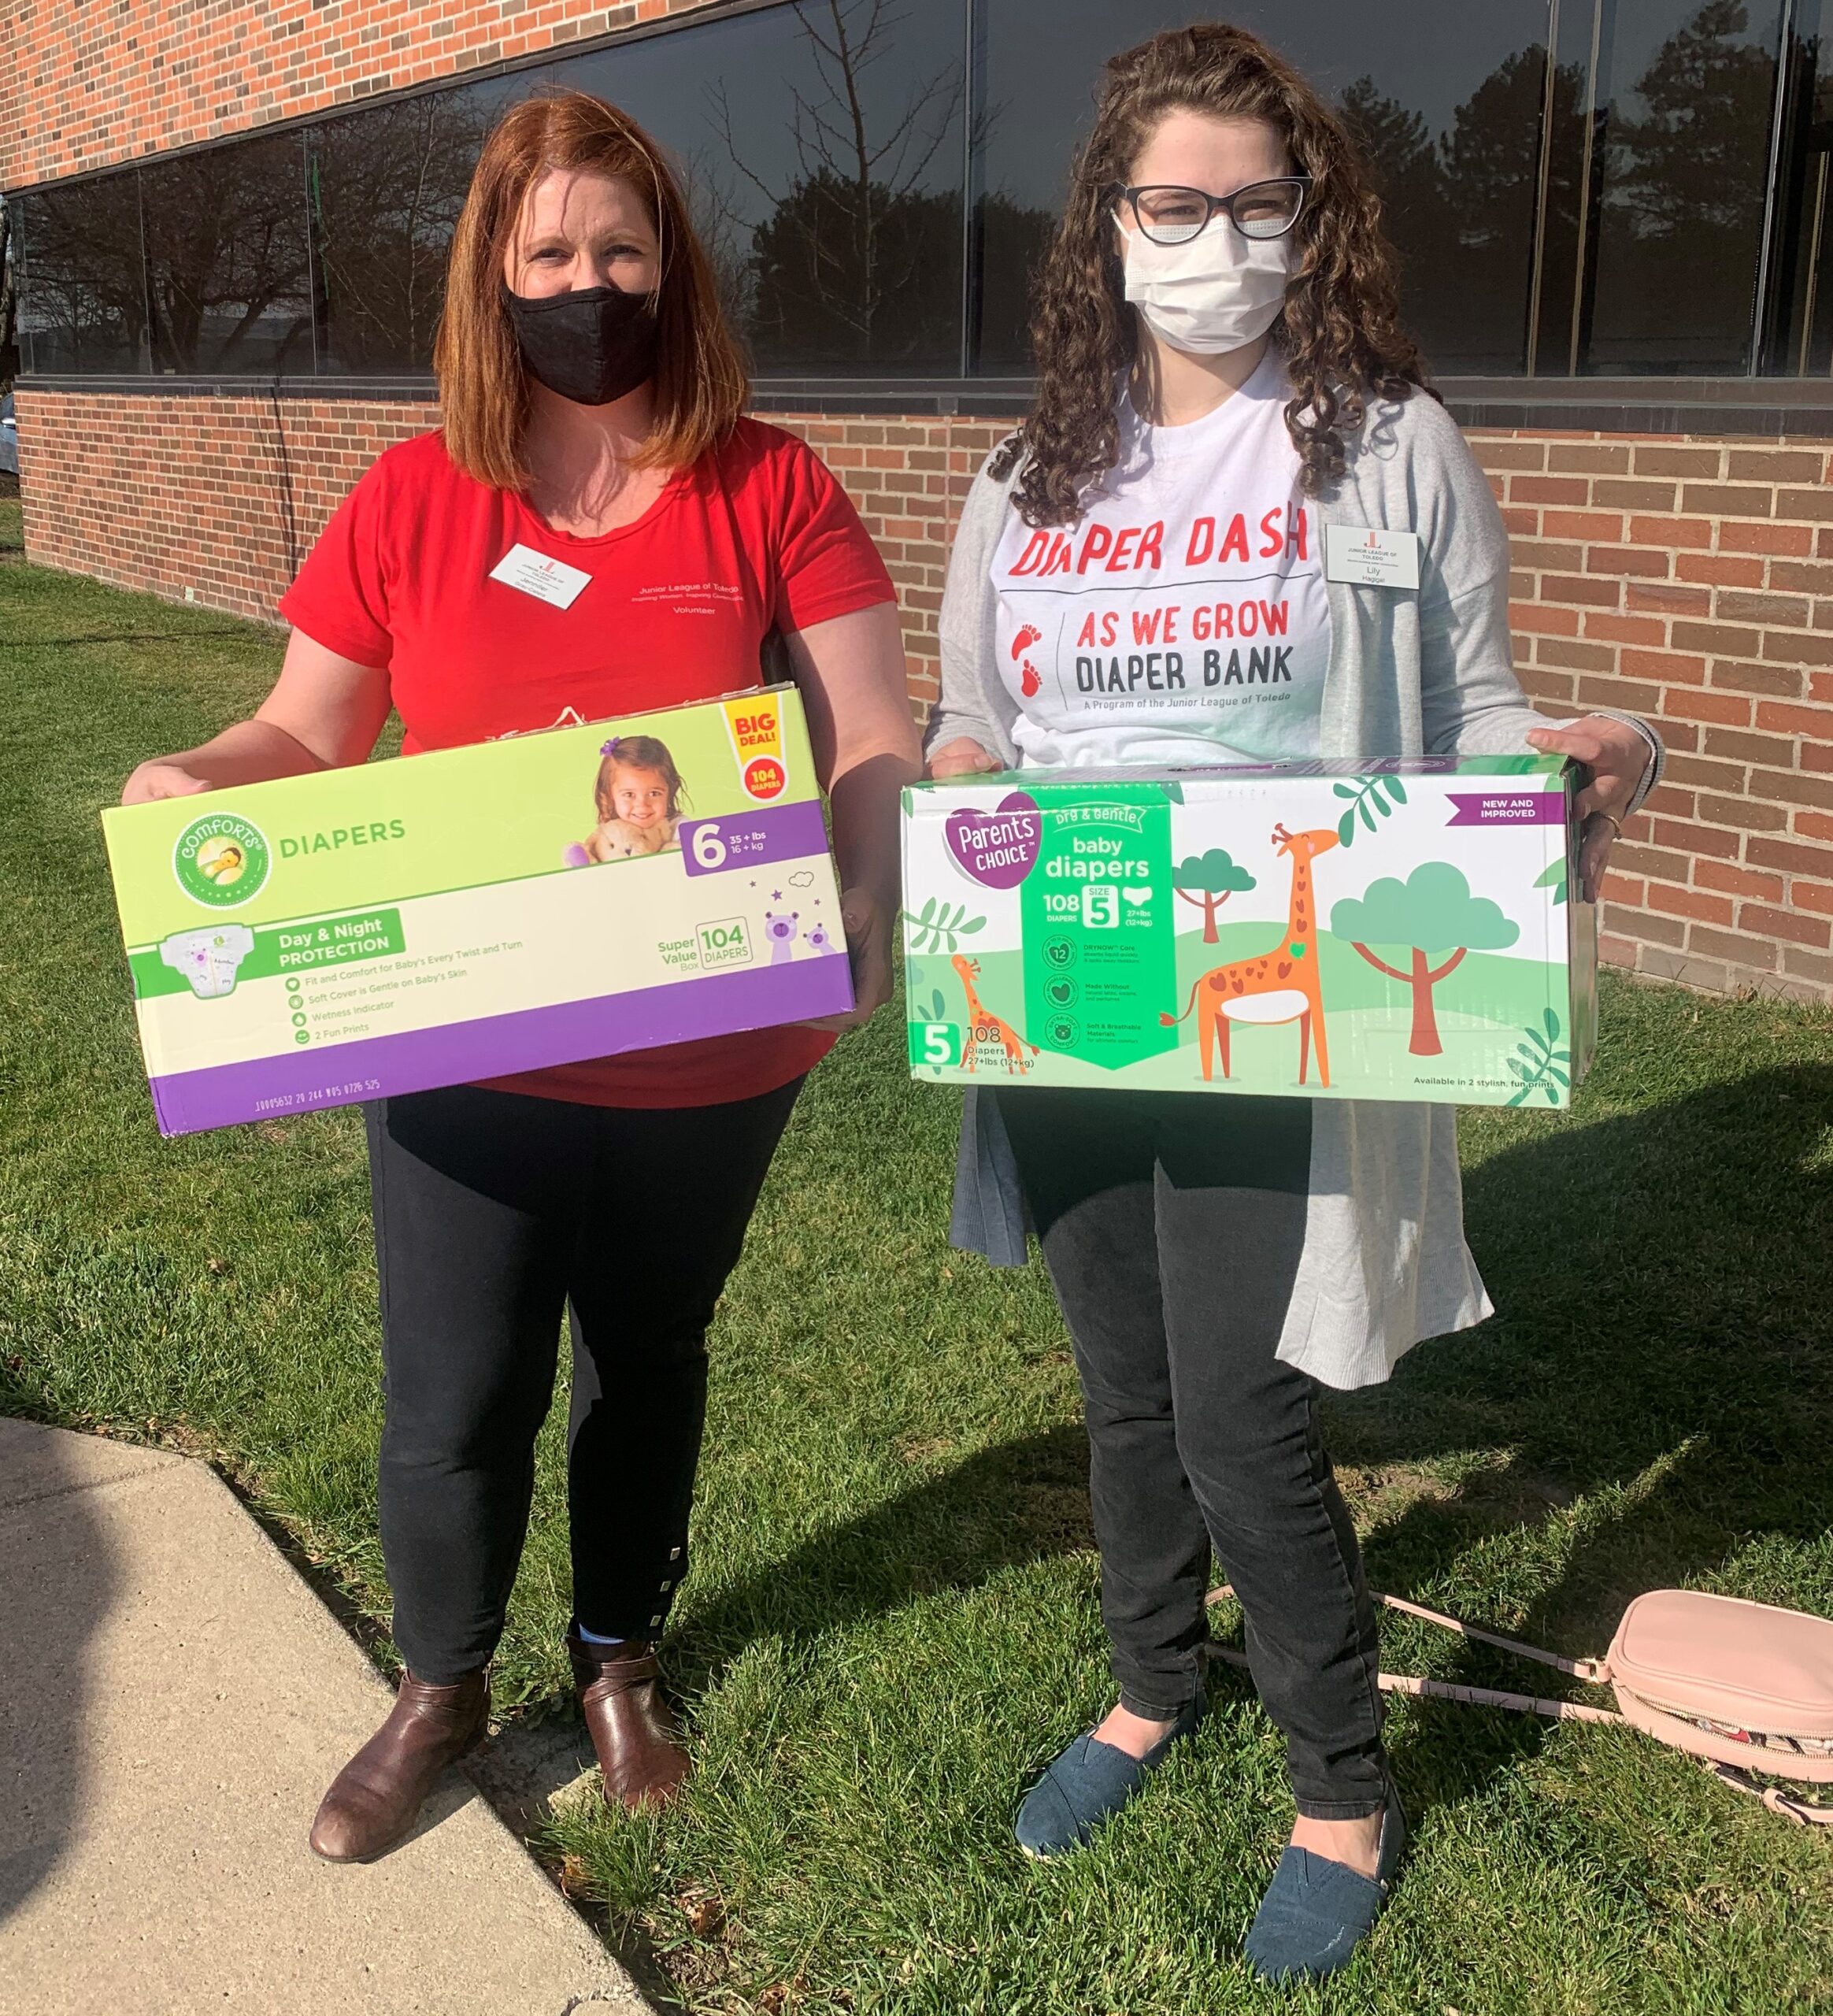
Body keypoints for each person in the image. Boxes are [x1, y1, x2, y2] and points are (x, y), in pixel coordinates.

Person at [925, 24, 1662, 1985]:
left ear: (1309, 220)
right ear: (1113, 223)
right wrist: (947, 778)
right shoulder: (1027, 476)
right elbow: (975, 714)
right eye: (1177, 204)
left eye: (1262, 204)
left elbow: (1481, 714)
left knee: (1247, 1413)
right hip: (1069, 981)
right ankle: (1154, 1681)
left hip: (1288, 989)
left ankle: (1341, 1779)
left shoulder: (1390, 439)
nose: (1219, 242)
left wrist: (1584, 774)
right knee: (1125, 1384)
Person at [122, 90, 920, 1863]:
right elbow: (299, 725)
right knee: (454, 1386)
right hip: (471, 1036)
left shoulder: (769, 480)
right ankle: (440, 1682)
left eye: (622, 249)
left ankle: (618, 1652)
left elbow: (870, 722)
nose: (589, 281)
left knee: (650, 1356)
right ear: (494, 272)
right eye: (551, 251)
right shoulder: (415, 496)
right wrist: (200, 782)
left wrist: (871, 881)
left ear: (673, 265)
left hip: (716, 1039)